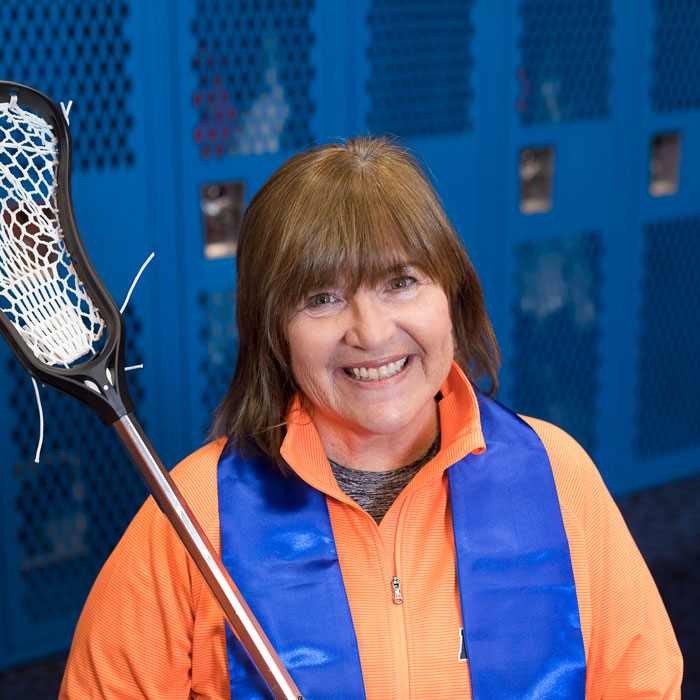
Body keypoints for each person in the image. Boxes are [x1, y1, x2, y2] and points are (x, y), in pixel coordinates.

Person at [59, 137, 682, 699]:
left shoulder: (557, 475)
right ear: (274, 333)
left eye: (401, 282)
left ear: (452, 296)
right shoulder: (194, 515)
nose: (373, 331)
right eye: (322, 298)